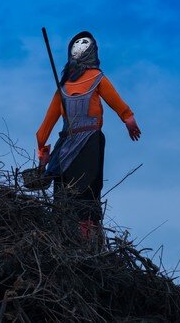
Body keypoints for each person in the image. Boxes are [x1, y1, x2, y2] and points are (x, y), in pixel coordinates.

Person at [36, 31, 141, 241]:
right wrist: (128, 119)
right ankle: (87, 237)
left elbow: (43, 130)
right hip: (90, 143)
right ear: (93, 53)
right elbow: (116, 102)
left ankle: (64, 236)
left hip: (64, 149)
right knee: (89, 190)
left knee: (64, 196)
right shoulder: (98, 78)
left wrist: (44, 152)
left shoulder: (62, 88)